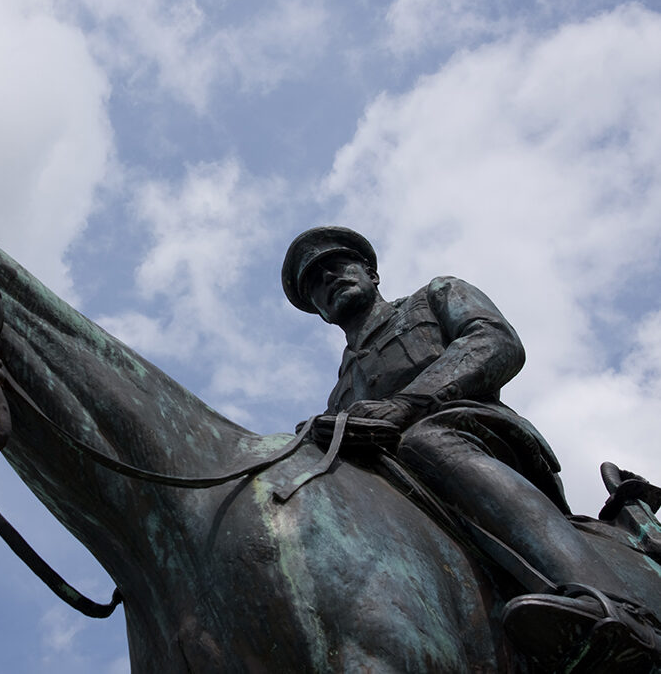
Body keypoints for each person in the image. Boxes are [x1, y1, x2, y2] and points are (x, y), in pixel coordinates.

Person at [282, 226, 661, 669]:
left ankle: (615, 609)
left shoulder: (436, 296)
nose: (328, 279)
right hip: (408, 488)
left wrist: (407, 405)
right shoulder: (340, 391)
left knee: (422, 441)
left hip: (481, 437)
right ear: (320, 313)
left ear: (371, 274)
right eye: (315, 282)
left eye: (337, 265)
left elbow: (495, 342)